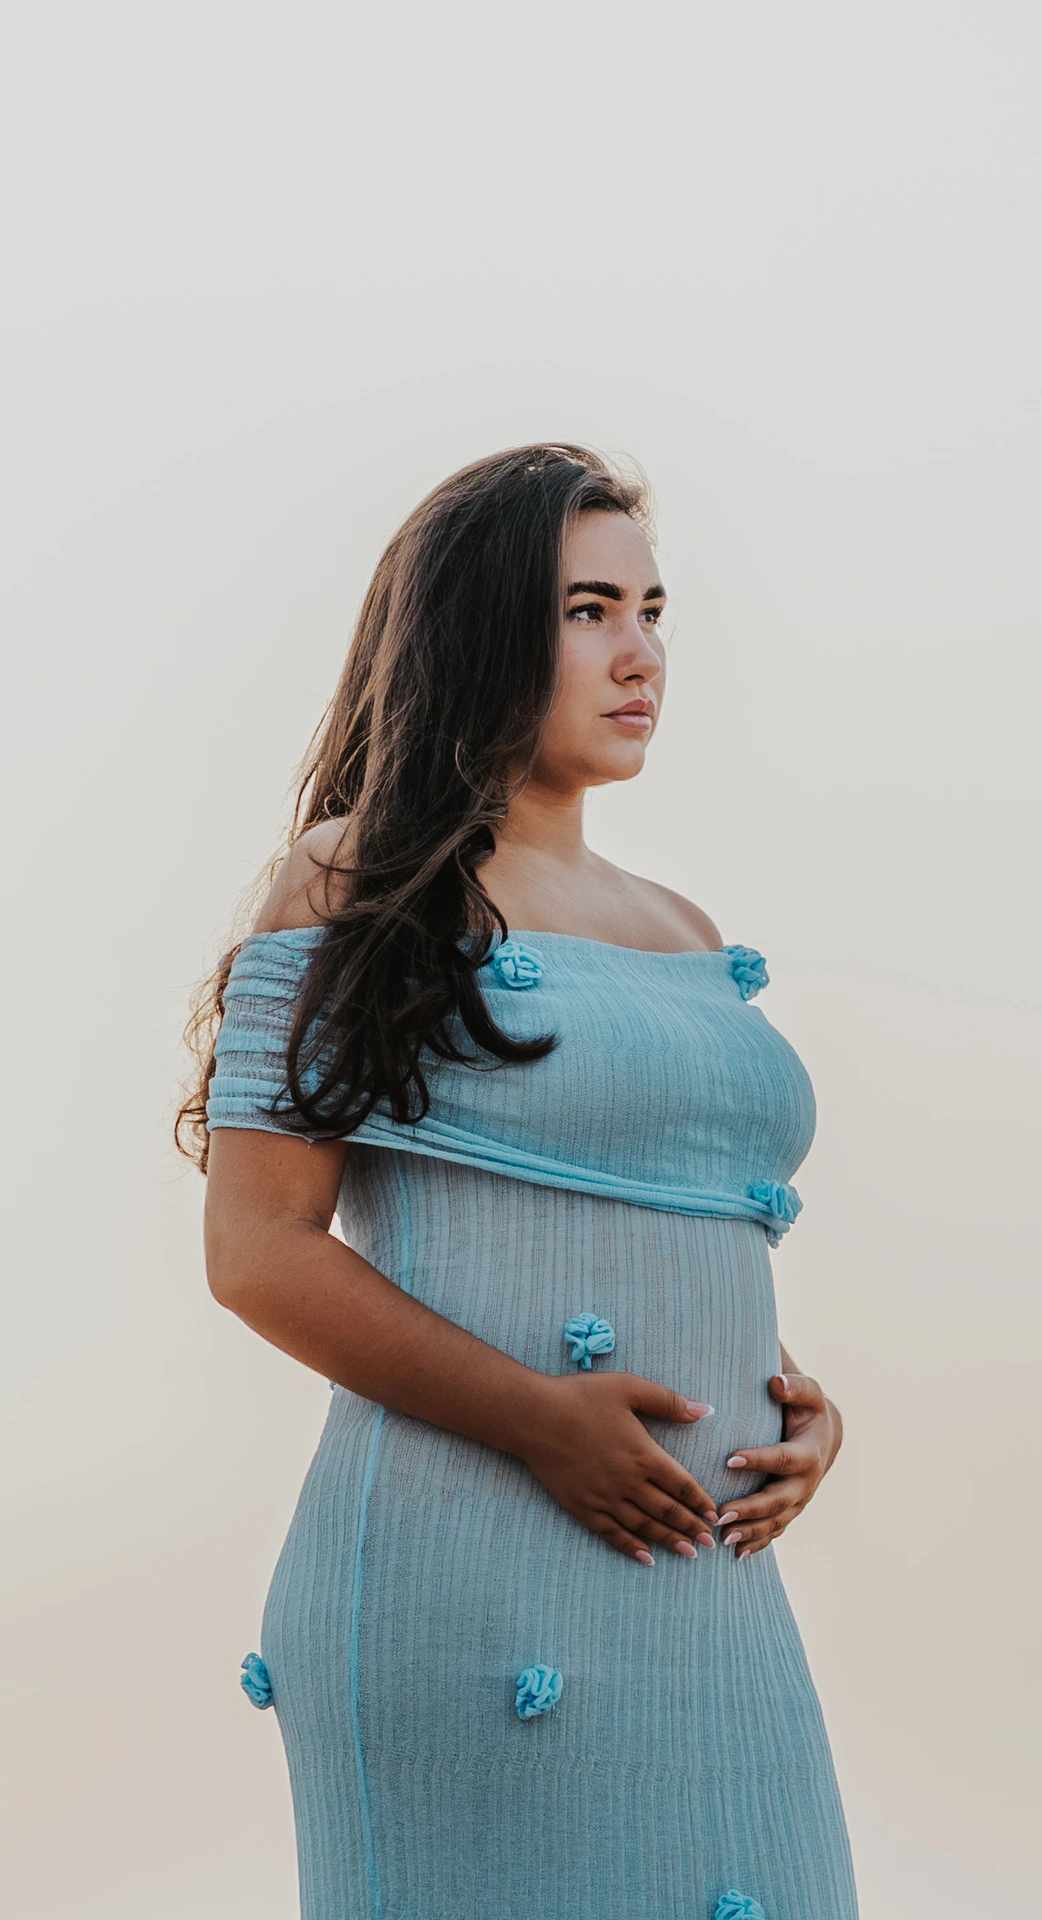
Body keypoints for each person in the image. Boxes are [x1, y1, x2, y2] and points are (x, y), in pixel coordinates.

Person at [181, 444, 858, 1919]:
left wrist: (791, 1401)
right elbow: (259, 1249)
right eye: (589, 610)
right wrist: (544, 1423)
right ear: (481, 630)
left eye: (655, 609)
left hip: (697, 1564)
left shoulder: (679, 925)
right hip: (469, 1549)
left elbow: (643, 1216)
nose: (642, 653)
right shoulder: (363, 878)